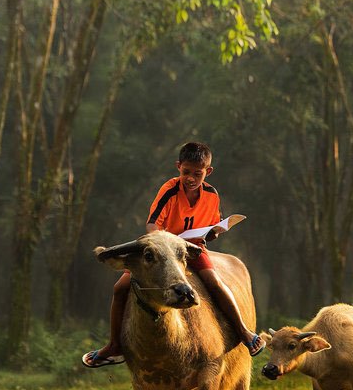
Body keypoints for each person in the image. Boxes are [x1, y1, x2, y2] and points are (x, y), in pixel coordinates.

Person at [82, 141, 265, 367]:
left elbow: (212, 225)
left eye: (197, 174)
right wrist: (165, 241)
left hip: (193, 249)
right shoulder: (169, 190)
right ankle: (115, 346)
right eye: (186, 172)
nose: (191, 178)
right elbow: (152, 225)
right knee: (120, 288)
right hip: (163, 251)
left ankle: (243, 332)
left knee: (215, 283)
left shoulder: (211, 195)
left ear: (208, 172)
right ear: (178, 166)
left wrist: (213, 233)